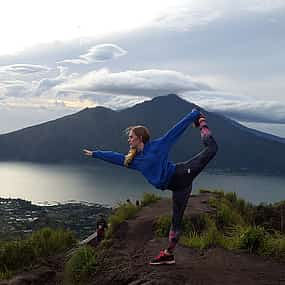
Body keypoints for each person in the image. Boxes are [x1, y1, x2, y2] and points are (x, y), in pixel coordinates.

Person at [83, 108, 218, 265]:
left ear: (140, 138)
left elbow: (175, 131)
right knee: (176, 222)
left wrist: (194, 115)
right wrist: (95, 154)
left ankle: (201, 121)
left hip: (183, 173)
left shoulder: (157, 146)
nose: (129, 140)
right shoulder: (135, 160)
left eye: (131, 137)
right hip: (179, 188)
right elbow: (115, 157)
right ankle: (168, 254)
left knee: (212, 148)